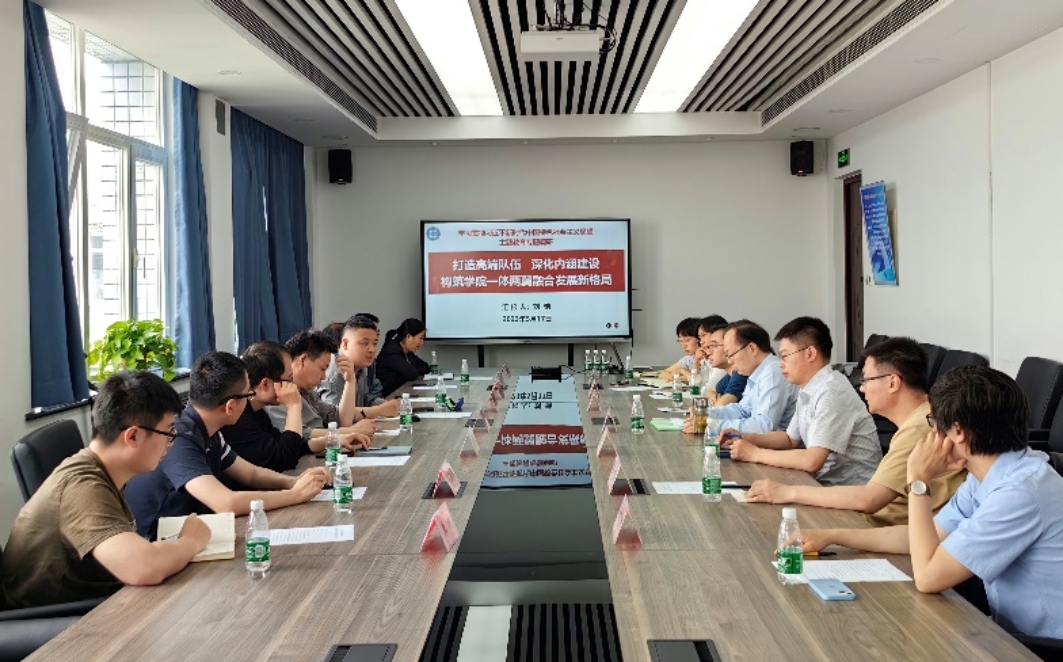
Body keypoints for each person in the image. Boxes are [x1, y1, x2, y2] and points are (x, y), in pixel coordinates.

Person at [803, 365, 1063, 640]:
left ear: (958, 431)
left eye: (933, 422)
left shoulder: (1018, 492)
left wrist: (918, 480)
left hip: (1039, 646)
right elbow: (926, 536)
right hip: (1009, 633)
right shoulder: (988, 476)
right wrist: (832, 537)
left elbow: (928, 578)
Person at [2, 372, 211, 608]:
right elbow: (143, 567)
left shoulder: (102, 470)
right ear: (133, 436)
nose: (171, 443)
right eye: (169, 433)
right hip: (63, 620)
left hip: (101, 598)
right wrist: (190, 541)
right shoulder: (81, 486)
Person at [745, 337, 965, 523]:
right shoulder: (920, 419)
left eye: (867, 380)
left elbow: (869, 499)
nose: (862, 388)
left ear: (893, 383)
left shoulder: (918, 428)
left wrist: (786, 492)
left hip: (877, 526)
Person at [125, 352, 330, 540]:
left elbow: (251, 474)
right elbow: (225, 502)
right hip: (159, 543)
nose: (250, 400)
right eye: (248, 395)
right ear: (230, 406)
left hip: (192, 533)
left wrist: (293, 482)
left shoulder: (208, 428)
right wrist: (295, 495)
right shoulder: (178, 436)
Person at [724, 317, 881, 485]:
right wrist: (743, 437)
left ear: (810, 353)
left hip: (849, 491)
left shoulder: (832, 391)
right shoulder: (809, 388)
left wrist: (754, 454)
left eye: (785, 356)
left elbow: (812, 461)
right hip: (821, 483)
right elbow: (789, 439)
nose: (780, 364)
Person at [222, 341, 371, 473]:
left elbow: (293, 445)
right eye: (288, 380)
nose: (292, 386)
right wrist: (294, 406)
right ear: (265, 384)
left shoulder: (257, 412)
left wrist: (333, 440)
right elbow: (285, 457)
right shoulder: (239, 419)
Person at [267, 329, 374, 439]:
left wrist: (350, 381)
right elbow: (301, 435)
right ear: (303, 360)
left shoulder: (307, 393)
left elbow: (341, 419)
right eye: (323, 368)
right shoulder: (277, 395)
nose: (324, 376)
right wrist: (350, 431)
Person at [704, 320, 797, 433]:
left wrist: (712, 424)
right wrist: (705, 414)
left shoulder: (773, 373)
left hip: (779, 443)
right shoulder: (755, 372)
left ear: (752, 348)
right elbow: (742, 410)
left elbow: (764, 426)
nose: (730, 361)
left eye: (731, 355)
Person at [318, 315, 401, 421]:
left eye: (375, 343)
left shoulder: (359, 365)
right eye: (365, 343)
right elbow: (335, 418)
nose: (372, 349)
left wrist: (387, 405)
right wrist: (380, 410)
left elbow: (365, 398)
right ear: (345, 344)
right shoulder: (333, 373)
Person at [375, 318, 431, 396]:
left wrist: (411, 372)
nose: (421, 343)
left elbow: (425, 367)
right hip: (387, 397)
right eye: (420, 338)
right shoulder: (391, 352)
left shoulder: (407, 352)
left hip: (400, 392)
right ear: (409, 337)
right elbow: (412, 374)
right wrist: (411, 372)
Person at [658, 317, 704, 383]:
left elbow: (697, 382)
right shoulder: (689, 359)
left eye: (687, 340)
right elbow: (662, 374)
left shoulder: (709, 359)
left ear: (699, 338)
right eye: (680, 341)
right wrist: (679, 376)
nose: (683, 345)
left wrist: (683, 371)